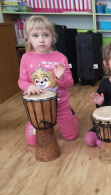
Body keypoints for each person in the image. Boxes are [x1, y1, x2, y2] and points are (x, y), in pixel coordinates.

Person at [18, 15, 79, 146]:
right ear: (28, 38)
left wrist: (61, 77)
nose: (41, 40)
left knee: (71, 137)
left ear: (52, 37)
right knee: (33, 142)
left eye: (45, 35)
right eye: (35, 36)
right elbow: (21, 81)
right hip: (38, 108)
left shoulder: (60, 57)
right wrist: (28, 86)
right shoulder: (26, 57)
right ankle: (31, 123)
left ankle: (71, 116)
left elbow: (70, 83)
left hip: (61, 104)